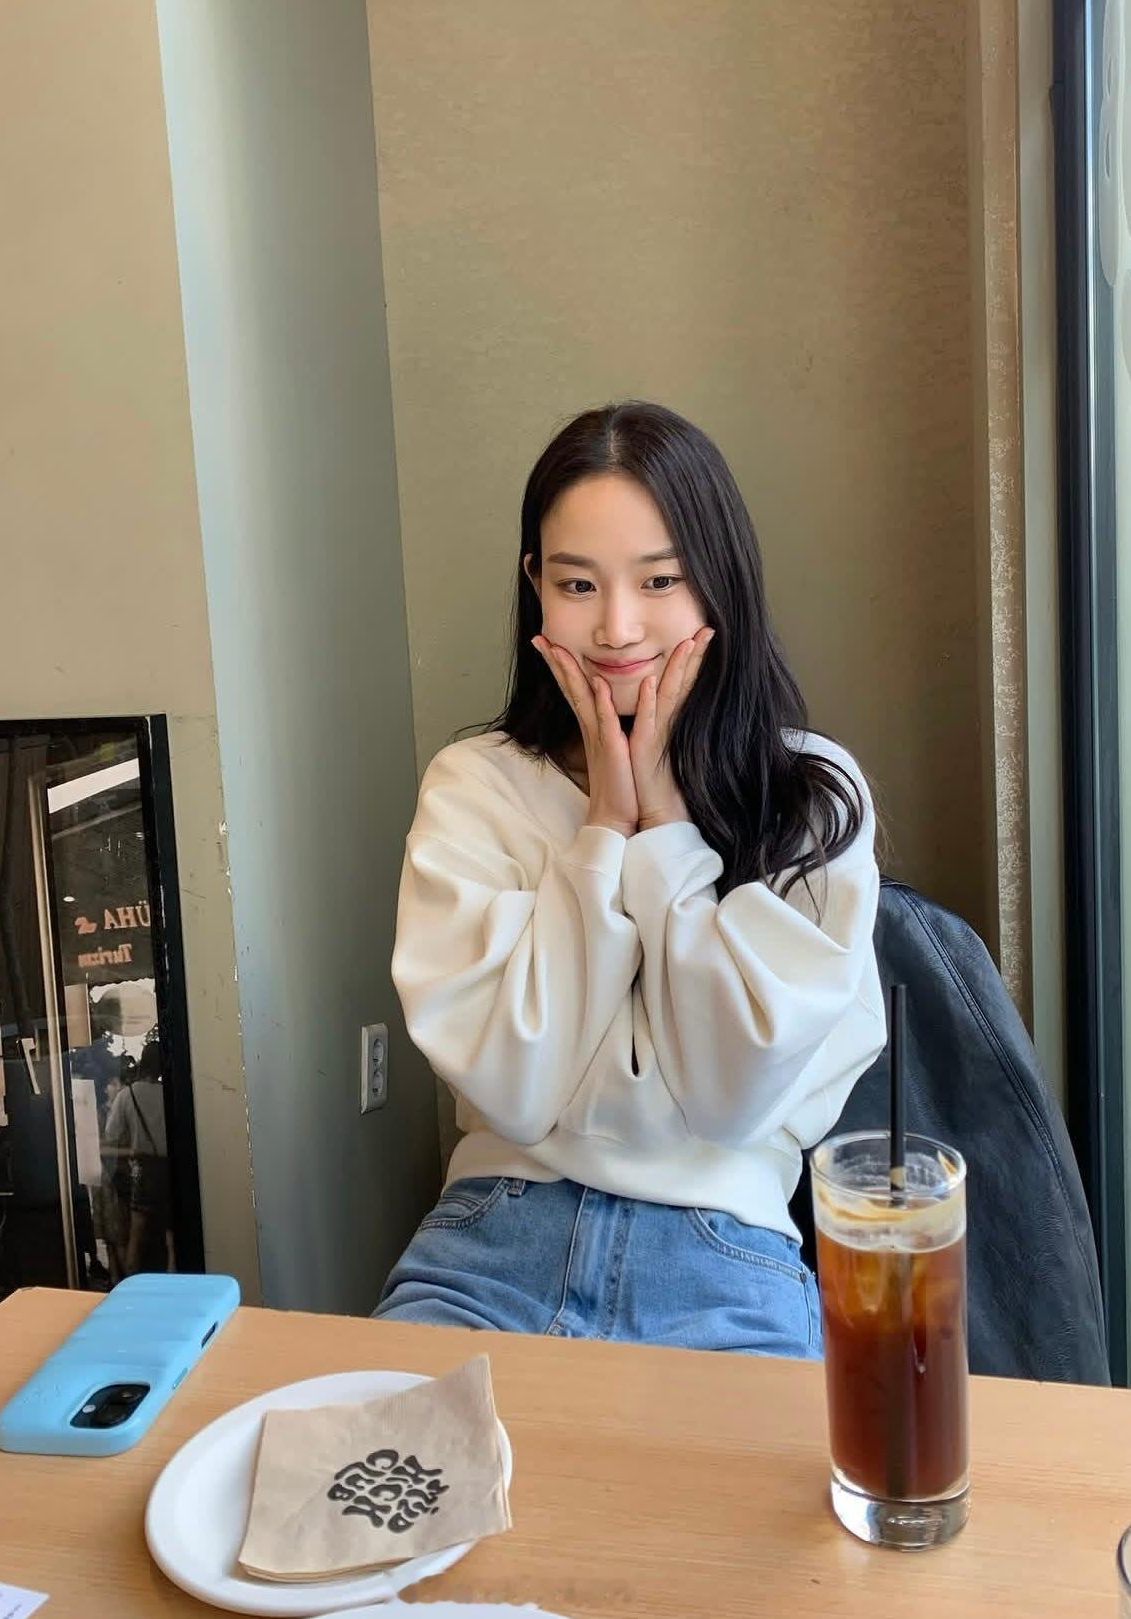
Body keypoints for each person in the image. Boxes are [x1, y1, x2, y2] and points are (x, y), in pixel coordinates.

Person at [374, 401, 886, 1356]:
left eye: (659, 579)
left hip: (725, 1257)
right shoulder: (475, 785)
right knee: (364, 1452)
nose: (616, 626)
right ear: (534, 584)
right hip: (489, 1242)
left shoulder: (811, 794)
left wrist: (667, 834)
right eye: (577, 583)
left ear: (719, 581)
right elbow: (517, 1088)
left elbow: (730, 1097)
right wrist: (603, 828)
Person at [103, 1039, 172, 1274]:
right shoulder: (170, 1092)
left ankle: (132, 1284)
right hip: (170, 1169)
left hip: (143, 1169)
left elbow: (111, 1134)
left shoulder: (127, 1095)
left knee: (136, 1236)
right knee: (171, 1240)